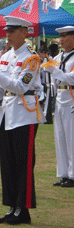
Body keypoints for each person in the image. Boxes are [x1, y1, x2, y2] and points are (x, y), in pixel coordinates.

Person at [0, 16, 43, 225]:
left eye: (12, 31)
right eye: (6, 31)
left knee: (23, 164)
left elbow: (20, 87)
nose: (7, 35)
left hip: (24, 114)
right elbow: (1, 89)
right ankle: (12, 206)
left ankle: (23, 209)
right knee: (7, 163)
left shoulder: (31, 59)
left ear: (24, 33)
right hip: (7, 114)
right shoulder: (5, 56)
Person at [42, 25, 74, 188]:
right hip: (60, 98)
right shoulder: (59, 57)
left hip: (72, 98)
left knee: (71, 138)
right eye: (60, 37)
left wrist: (53, 71)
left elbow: (71, 78)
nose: (61, 40)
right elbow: (53, 79)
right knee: (60, 137)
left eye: (65, 36)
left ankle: (73, 174)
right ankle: (63, 173)